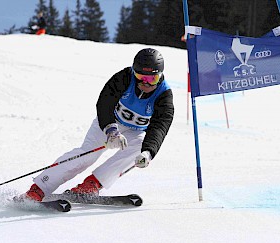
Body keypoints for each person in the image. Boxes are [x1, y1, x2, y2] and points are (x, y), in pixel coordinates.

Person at [23, 48, 174, 202]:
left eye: (152, 79)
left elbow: (159, 127)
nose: (145, 83)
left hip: (134, 132)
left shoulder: (164, 95)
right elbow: (104, 103)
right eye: (140, 77)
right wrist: (111, 129)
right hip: (110, 123)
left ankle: (91, 185)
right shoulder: (124, 78)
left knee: (140, 148)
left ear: (160, 76)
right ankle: (39, 188)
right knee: (87, 155)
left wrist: (148, 153)